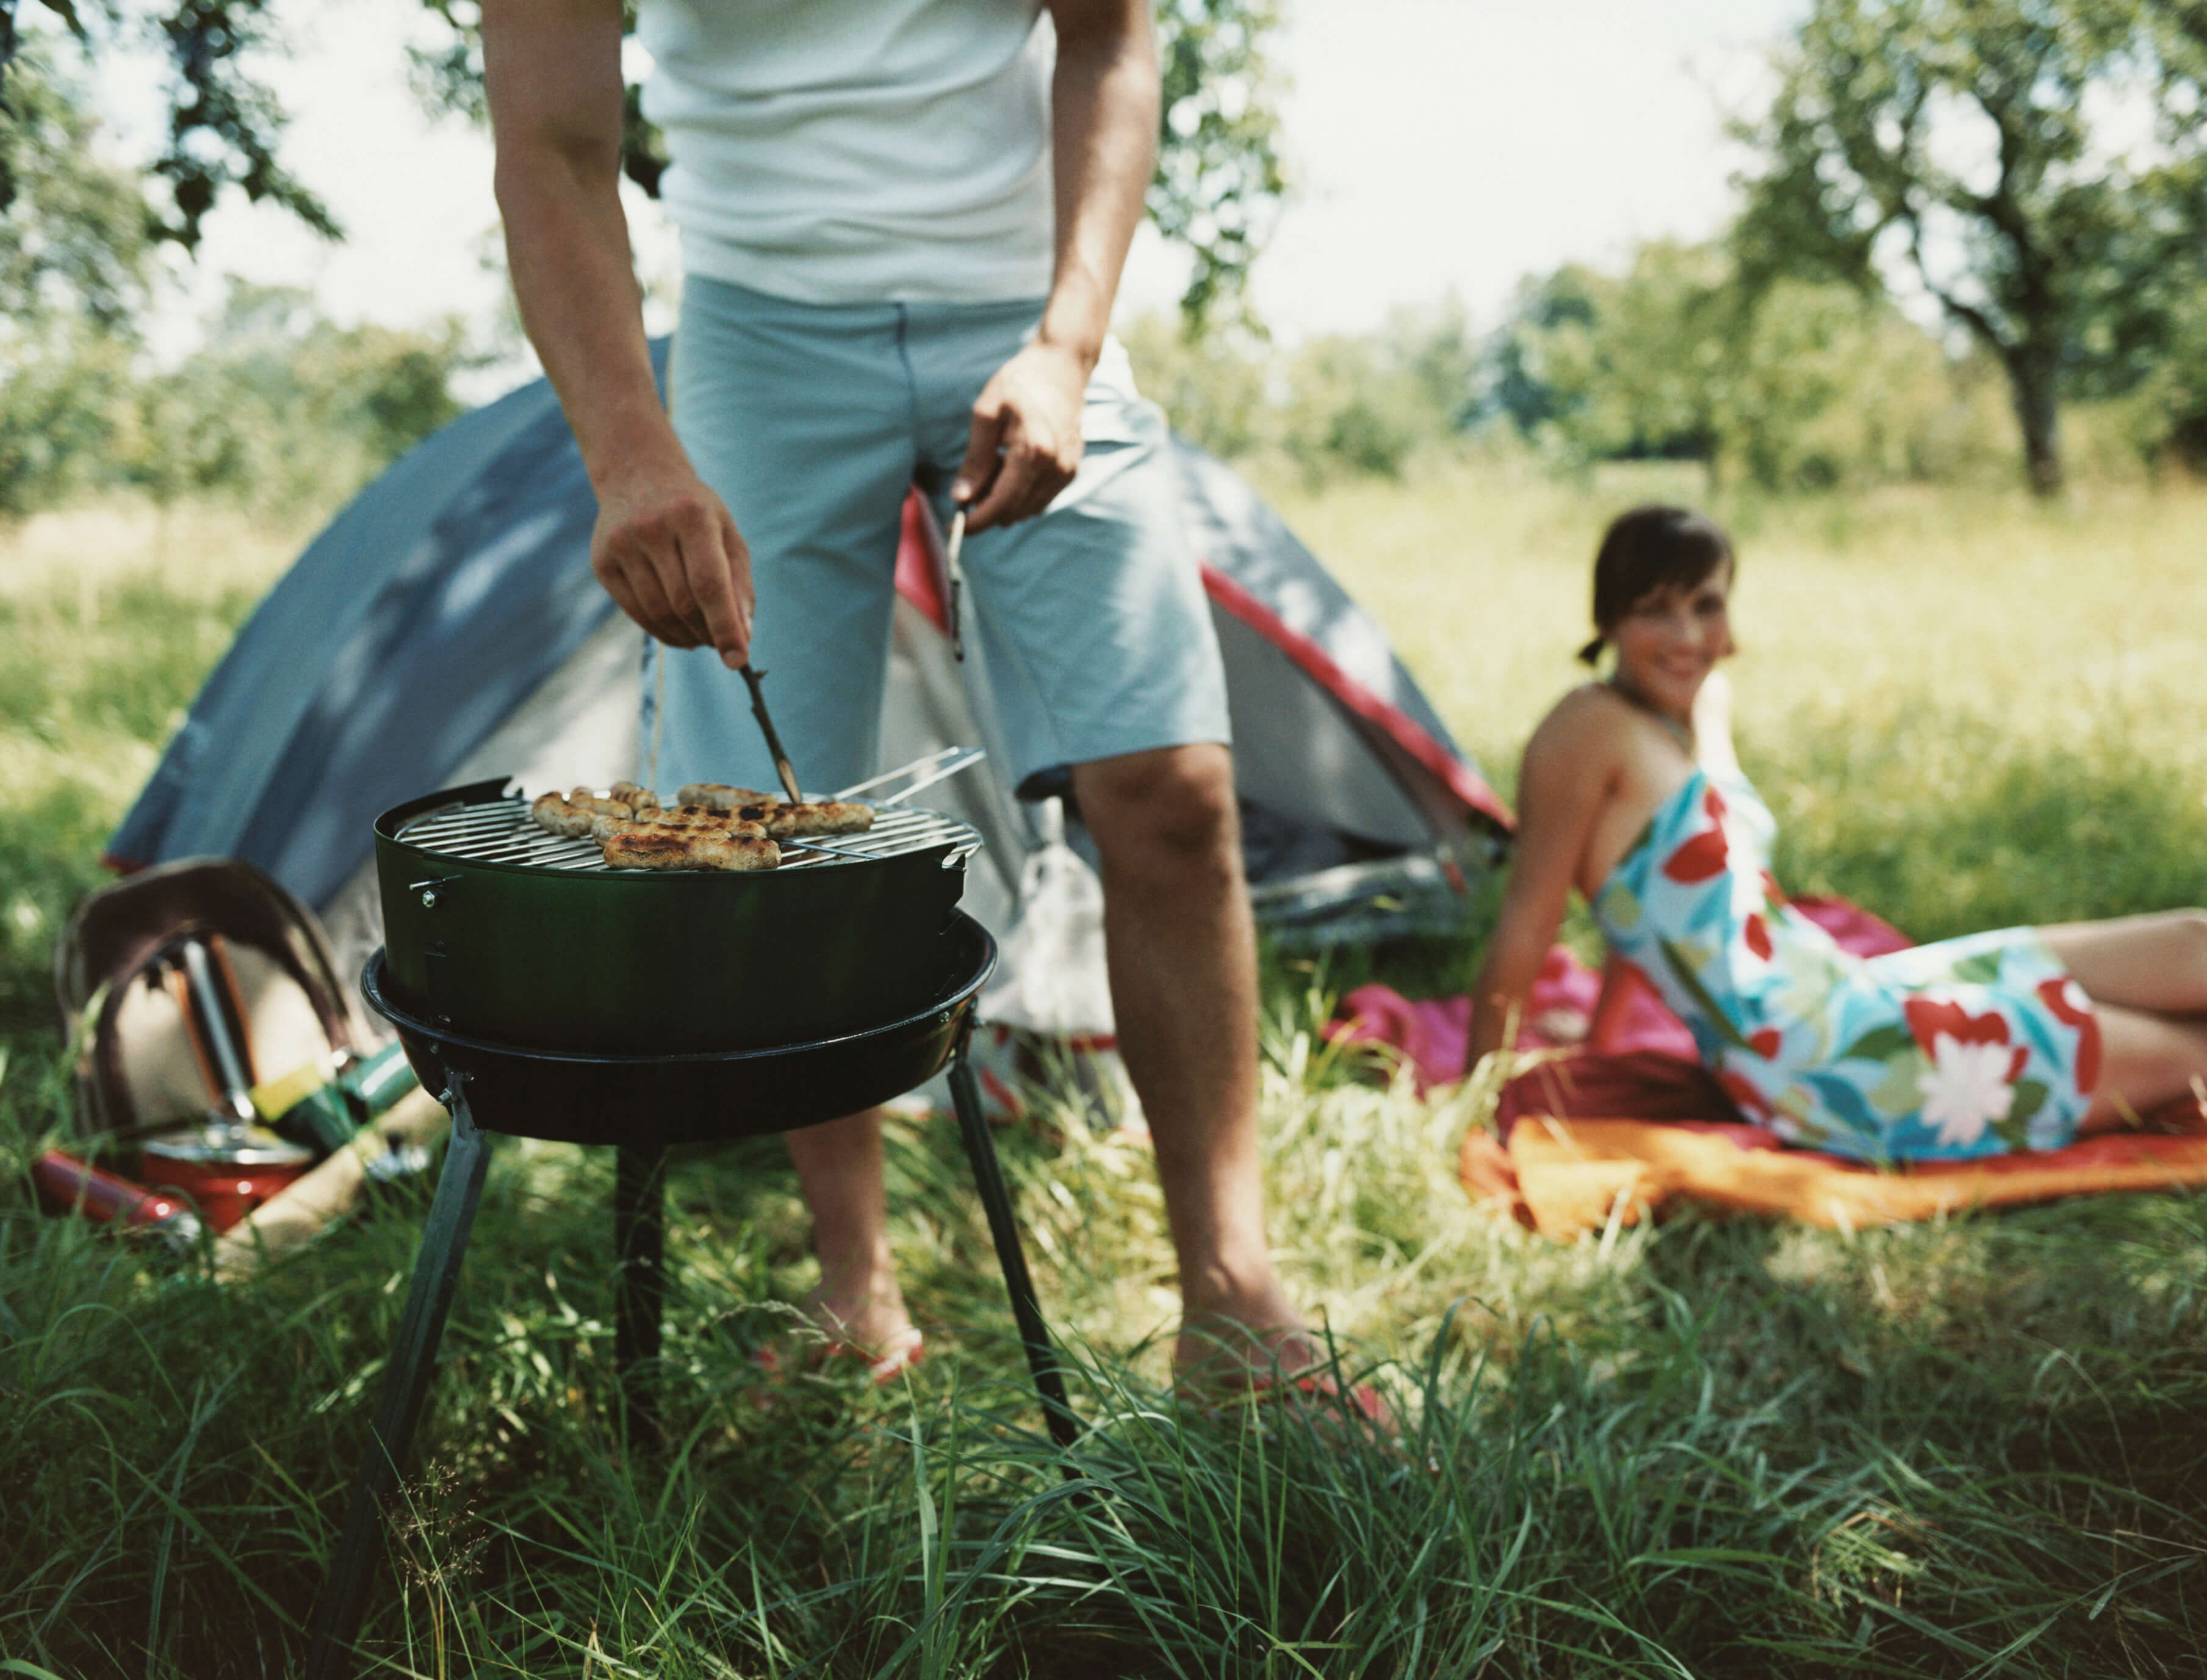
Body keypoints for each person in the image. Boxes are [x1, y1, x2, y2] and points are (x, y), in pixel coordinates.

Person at [479, 0, 1316, 1387]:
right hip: (759, 332)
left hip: (1027, 314)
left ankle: (1230, 1296)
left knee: (1171, 791)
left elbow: (1110, 38)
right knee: (774, 844)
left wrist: (1066, 343)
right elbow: (553, 148)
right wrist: (631, 448)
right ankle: (853, 1287)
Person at [1466, 504, 2207, 1161]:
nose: (1686, 633)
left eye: (1706, 603)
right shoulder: (1583, 728)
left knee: (2191, 941)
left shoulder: (1681, 713)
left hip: (1848, 990)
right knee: (2190, 1051)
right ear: (1607, 618)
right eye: (1654, 607)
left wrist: (1601, 1045)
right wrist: (1473, 1099)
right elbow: (1527, 925)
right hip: (1823, 1061)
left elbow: (1645, 919)